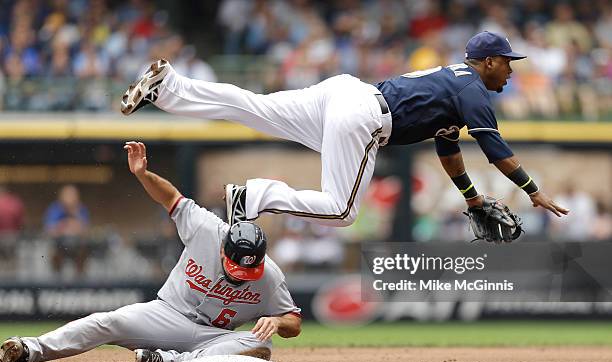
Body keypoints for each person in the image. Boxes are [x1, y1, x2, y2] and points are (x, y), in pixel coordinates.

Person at [120, 31, 569, 229]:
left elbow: (448, 149)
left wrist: (471, 198)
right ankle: (251, 197)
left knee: (253, 107)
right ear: (488, 61)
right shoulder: (474, 90)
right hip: (363, 118)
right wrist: (532, 190)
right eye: (508, 63)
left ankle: (171, 87)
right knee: (342, 211)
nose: (510, 72)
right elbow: (494, 148)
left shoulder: (456, 83)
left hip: (343, 95)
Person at [0, 141, 301, 362]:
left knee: (260, 344)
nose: (240, 275)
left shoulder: (269, 275)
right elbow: (172, 198)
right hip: (166, 315)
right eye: (235, 267)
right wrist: (143, 175)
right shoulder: (207, 229)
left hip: (214, 337)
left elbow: (293, 321)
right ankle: (29, 349)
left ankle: (169, 361)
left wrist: (276, 321)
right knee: (108, 321)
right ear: (224, 249)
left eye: (248, 270)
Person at [44, 184, 90, 276]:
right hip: (59, 245)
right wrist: (64, 226)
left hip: (77, 245)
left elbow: (85, 229)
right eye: (67, 195)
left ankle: (80, 282)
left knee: (84, 251)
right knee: (54, 253)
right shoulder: (55, 209)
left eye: (73, 195)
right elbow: (49, 230)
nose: (70, 198)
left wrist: (74, 215)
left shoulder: (81, 209)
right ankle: (57, 281)